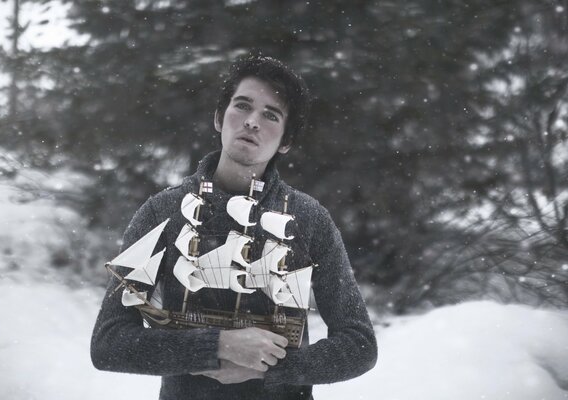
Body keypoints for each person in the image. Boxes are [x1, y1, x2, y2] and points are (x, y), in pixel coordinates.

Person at [90, 55, 377, 400]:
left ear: (286, 141)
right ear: (218, 118)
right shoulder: (162, 212)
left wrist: (270, 366)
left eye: (271, 115)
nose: (252, 122)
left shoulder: (308, 219)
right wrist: (215, 347)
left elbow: (359, 343)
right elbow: (109, 342)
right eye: (242, 106)